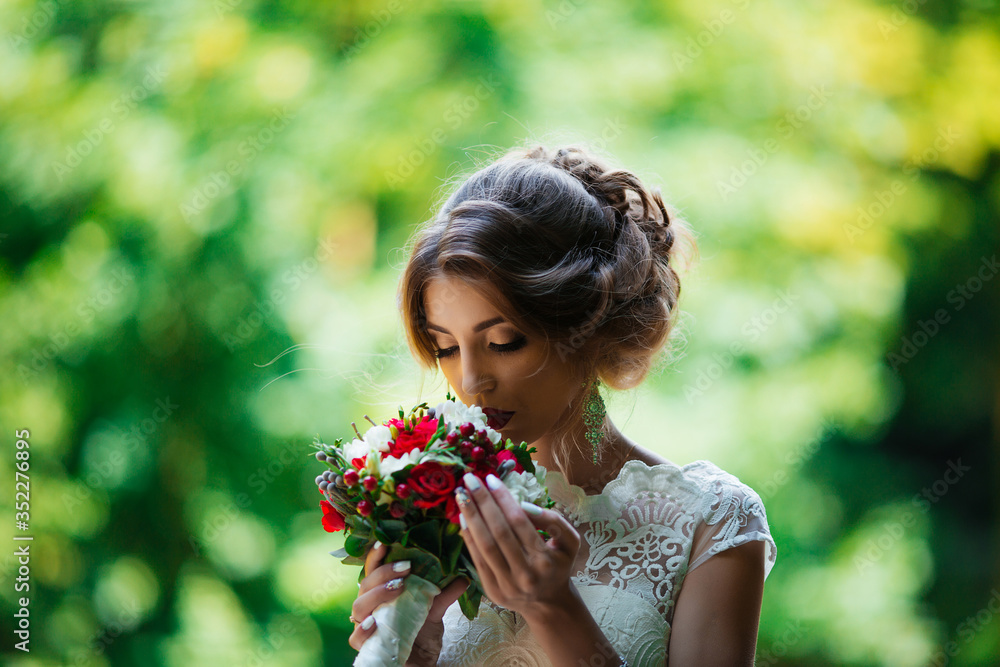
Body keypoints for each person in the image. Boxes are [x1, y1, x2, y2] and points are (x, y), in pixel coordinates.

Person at [347, 143, 777, 666]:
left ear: (589, 327)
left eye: (504, 341)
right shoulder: (433, 513)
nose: (472, 380)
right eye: (446, 348)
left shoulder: (712, 522)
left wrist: (553, 609)